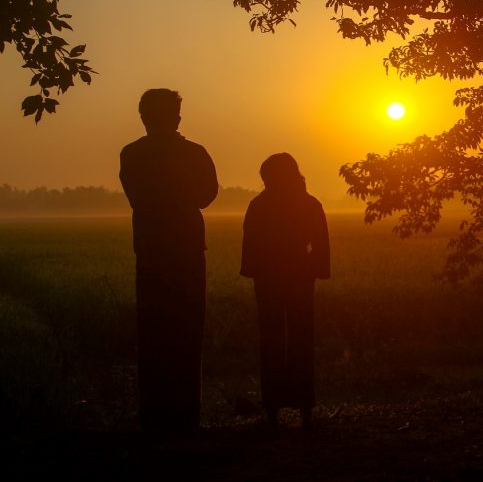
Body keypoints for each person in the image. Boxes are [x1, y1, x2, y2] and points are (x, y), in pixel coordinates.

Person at [119, 88, 218, 433]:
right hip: (188, 251)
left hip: (150, 250)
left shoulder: (131, 155)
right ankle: (186, 416)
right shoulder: (194, 153)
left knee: (153, 334)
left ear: (144, 117)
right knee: (188, 334)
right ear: (176, 117)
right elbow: (207, 196)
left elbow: (136, 197)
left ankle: (154, 415)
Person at [240, 153, 330, 429]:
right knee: (301, 337)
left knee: (272, 339)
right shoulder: (309, 203)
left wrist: (253, 270)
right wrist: (317, 270)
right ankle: (304, 406)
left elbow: (250, 247)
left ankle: (273, 408)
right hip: (301, 276)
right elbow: (321, 244)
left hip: (268, 278)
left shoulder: (259, 204)